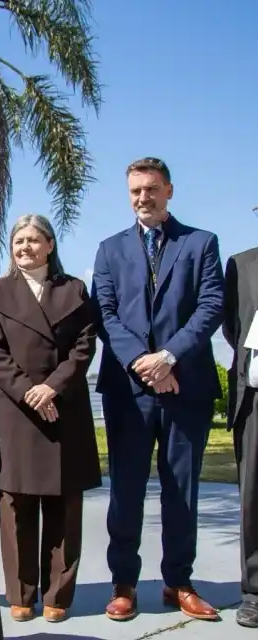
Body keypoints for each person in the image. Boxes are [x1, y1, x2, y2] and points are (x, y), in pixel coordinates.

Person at [92, 157, 223, 622]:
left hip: (186, 386)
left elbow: (211, 305)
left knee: (180, 490)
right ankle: (123, 583)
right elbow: (104, 314)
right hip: (128, 391)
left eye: (151, 189)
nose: (142, 198)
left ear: (169, 190)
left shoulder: (201, 243)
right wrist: (143, 364)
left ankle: (178, 582)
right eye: (134, 192)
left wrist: (168, 356)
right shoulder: (109, 250)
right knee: (125, 490)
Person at [0, 214, 100, 623]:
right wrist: (30, 392)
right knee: (15, 505)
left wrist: (52, 387)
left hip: (64, 408)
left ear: (49, 245)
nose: (25, 248)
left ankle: (57, 597)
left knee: (64, 507)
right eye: (18, 241)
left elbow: (84, 347)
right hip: (15, 411)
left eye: (33, 240)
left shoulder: (75, 290)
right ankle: (20, 593)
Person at [222, 243, 258, 627]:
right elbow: (233, 327)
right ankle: (254, 594)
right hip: (255, 398)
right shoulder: (242, 264)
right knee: (253, 497)